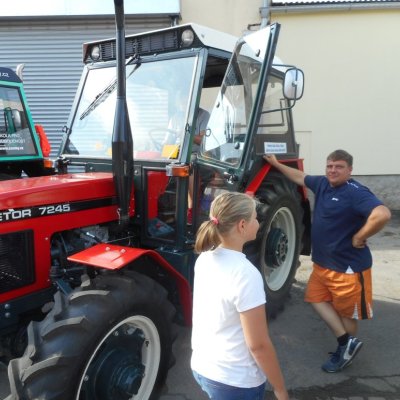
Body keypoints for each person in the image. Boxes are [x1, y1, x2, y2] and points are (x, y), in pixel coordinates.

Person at [264, 149, 391, 373]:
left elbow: (382, 214)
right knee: (314, 299)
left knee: (346, 313)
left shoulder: (355, 192)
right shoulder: (322, 184)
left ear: (350, 170)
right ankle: (346, 343)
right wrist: (276, 164)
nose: (333, 170)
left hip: (348, 269)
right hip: (323, 265)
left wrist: (360, 236)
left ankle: (346, 351)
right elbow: (300, 177)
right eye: (330, 166)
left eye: (339, 167)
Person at [191, 192, 289, 400]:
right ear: (242, 225)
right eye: (255, 217)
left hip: (203, 366)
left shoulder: (205, 258)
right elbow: (258, 345)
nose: (258, 222)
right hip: (234, 380)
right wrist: (280, 389)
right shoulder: (245, 274)